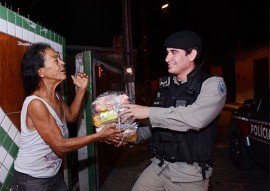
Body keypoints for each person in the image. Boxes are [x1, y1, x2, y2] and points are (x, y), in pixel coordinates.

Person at [119, 30, 227, 191]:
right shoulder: (165, 87)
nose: (166, 58)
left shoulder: (212, 84)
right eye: (167, 52)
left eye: (173, 52)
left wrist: (148, 111)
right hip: (159, 166)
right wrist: (129, 136)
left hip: (189, 175)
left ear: (191, 55)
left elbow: (195, 118)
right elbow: (158, 125)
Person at [12, 42, 123, 191]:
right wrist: (99, 136)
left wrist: (81, 90)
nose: (62, 62)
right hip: (32, 180)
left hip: (53, 176)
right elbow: (60, 145)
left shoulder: (56, 96)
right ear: (41, 71)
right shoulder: (35, 104)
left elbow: (70, 117)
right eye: (55, 59)